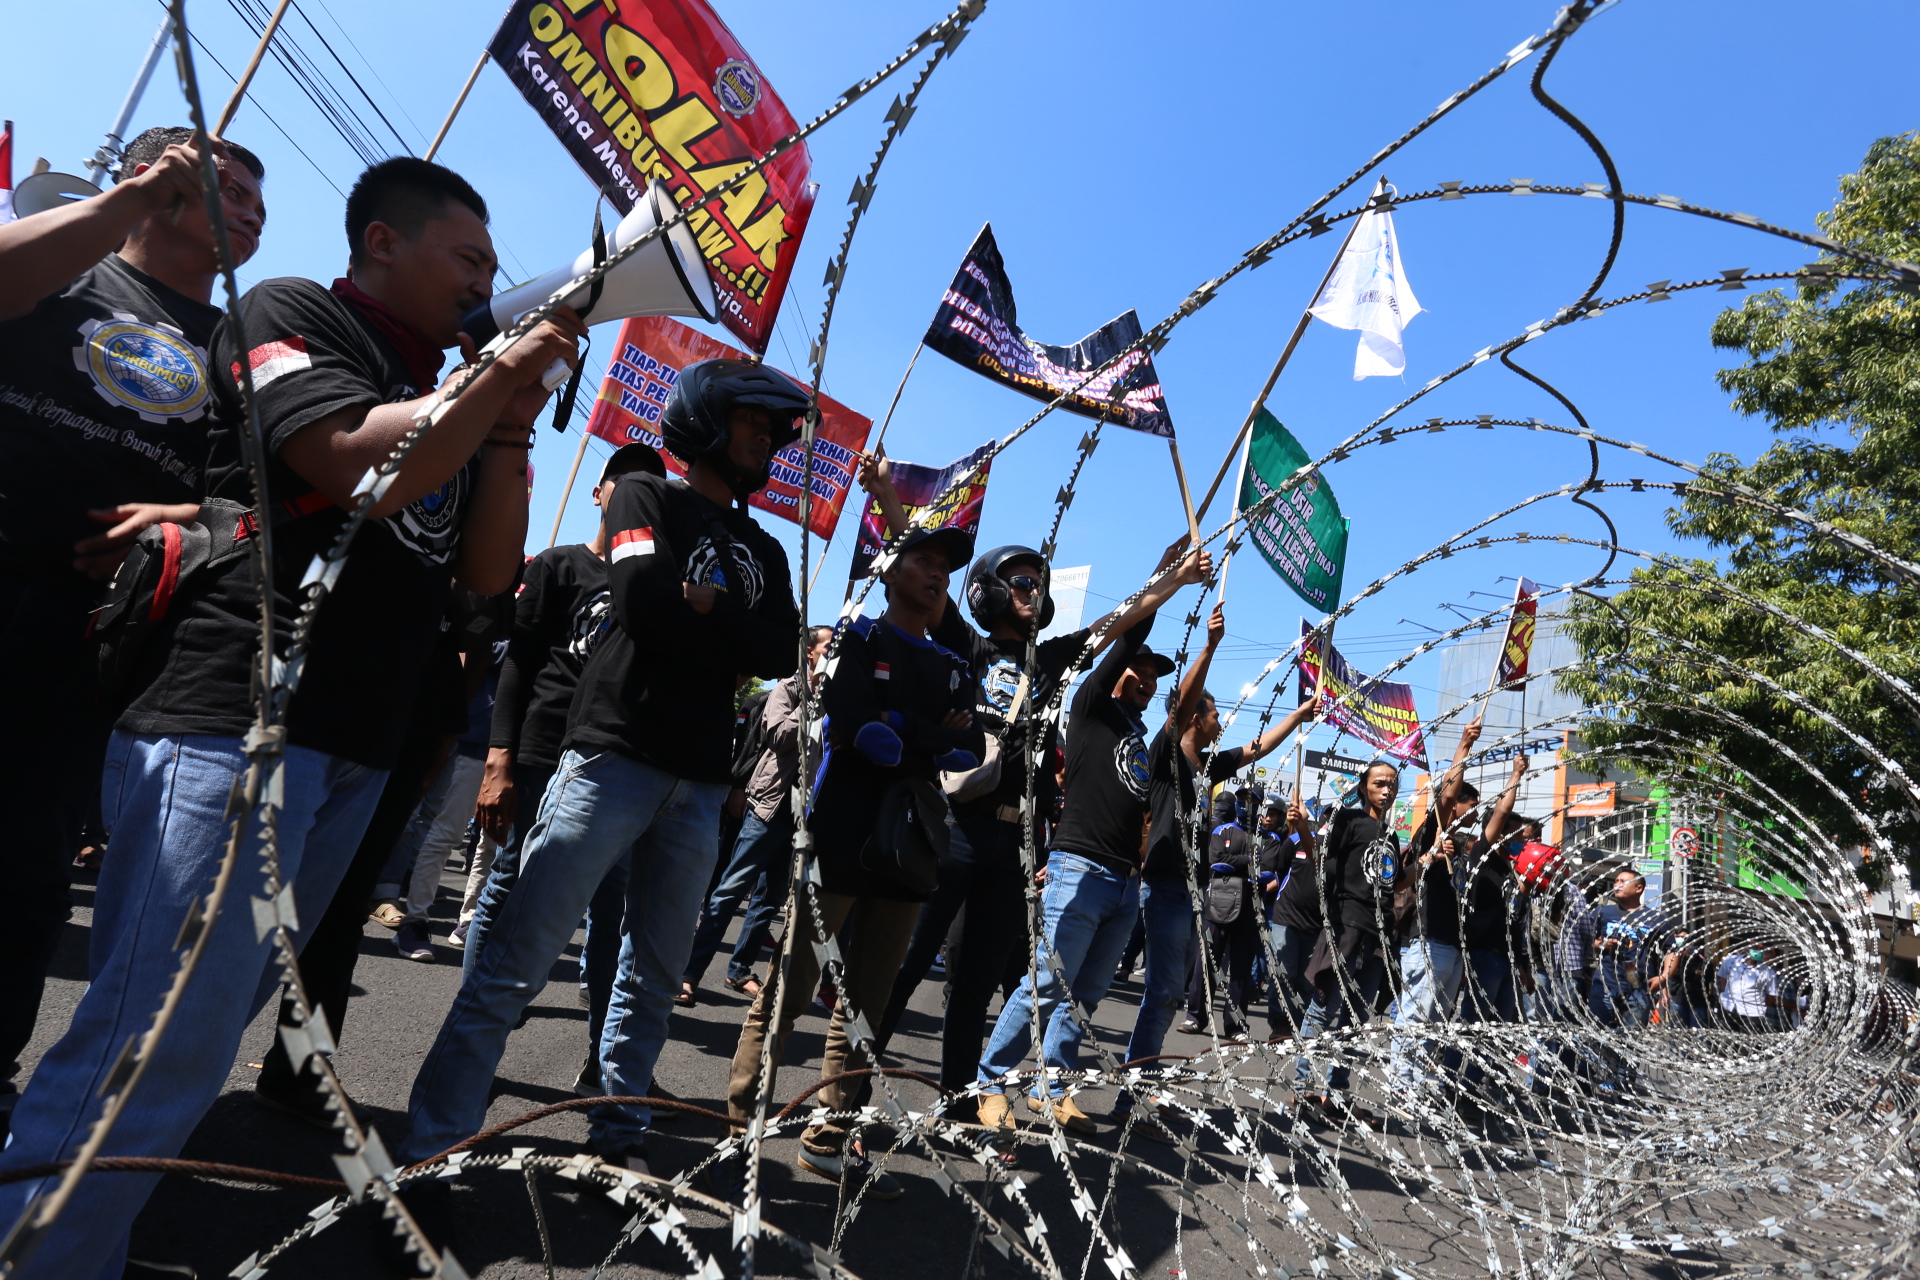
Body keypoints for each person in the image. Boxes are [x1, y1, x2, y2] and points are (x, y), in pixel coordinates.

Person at [0, 155, 577, 1280]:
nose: (486, 283)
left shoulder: (446, 386)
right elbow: (356, 466)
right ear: (381, 245)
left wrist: (508, 424)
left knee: (193, 1041)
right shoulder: (292, 312)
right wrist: (495, 369)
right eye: (469, 259)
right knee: (148, 1040)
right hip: (239, 716)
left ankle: (75, 1244)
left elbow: (489, 573)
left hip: (348, 742)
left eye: (494, 271)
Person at [402, 357, 802, 1188]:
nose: (767, 441)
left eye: (773, 431)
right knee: (516, 958)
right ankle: (432, 1146)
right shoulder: (641, 496)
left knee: (651, 978)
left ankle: (619, 1131)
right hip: (610, 760)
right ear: (703, 422)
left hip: (697, 788)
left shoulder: (765, 544)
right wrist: (722, 627)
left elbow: (780, 647)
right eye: (752, 424)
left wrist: (710, 608)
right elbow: (644, 604)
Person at [0, 128, 265, 1141]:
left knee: (24, 877)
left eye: (253, 197)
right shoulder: (66, 265)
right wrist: (129, 201)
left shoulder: (242, 349)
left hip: (87, 636)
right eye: (222, 186)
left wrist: (183, 524)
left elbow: (260, 509)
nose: (244, 207)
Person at [857, 451, 1199, 1104]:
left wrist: (1173, 579)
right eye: (1019, 582)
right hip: (954, 829)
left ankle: (958, 1102)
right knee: (903, 964)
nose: (1033, 593)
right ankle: (848, 1092)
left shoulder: (1053, 661)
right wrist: (883, 495)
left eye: (1038, 585)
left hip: (1015, 846)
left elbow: (1118, 622)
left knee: (976, 979)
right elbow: (917, 576)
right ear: (989, 592)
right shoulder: (968, 641)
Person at [721, 524, 983, 1197]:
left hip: (909, 846)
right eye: (923, 561)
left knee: (866, 1002)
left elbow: (969, 749)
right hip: (840, 833)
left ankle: (830, 1135)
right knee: (793, 983)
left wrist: (903, 729)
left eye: (944, 568)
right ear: (891, 571)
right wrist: (918, 733)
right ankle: (741, 1121)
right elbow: (860, 729)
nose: (936, 575)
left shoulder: (954, 664)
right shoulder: (857, 637)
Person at [971, 593, 1181, 1138]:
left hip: (1123, 880)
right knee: (1045, 985)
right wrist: (1168, 584)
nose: (1147, 681)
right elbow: (1123, 640)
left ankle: (1052, 1088)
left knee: (1085, 994)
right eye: (1139, 671)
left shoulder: (1137, 734)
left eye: (1155, 677)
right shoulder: (1090, 706)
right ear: (1117, 674)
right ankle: (990, 1083)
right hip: (1078, 867)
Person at [1117, 603, 1316, 1129]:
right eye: (1213, 714)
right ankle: (1132, 1091)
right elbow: (1180, 703)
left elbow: (1256, 748)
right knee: (1161, 991)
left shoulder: (1210, 766)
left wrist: (1296, 717)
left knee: (1164, 992)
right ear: (1193, 719)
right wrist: (1210, 646)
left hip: (1188, 890)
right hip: (1161, 883)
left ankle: (1135, 1090)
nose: (1219, 721)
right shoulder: (1166, 755)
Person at [682, 625, 833, 1002]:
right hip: (770, 806)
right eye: (831, 646)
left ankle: (738, 970)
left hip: (803, 817)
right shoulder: (789, 689)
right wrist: (815, 703)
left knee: (769, 899)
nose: (837, 653)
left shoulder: (840, 697)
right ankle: (688, 972)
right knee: (729, 891)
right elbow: (779, 735)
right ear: (810, 653)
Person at [1293, 758, 1403, 1124]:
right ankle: (1302, 1087)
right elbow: (1321, 861)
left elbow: (1393, 882)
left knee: (1356, 1019)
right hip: (1347, 926)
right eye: (1379, 784)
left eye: (1391, 784)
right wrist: (1304, 830)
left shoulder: (1390, 836)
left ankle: (1336, 1096)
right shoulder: (1349, 820)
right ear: (1364, 788)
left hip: (1378, 932)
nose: (1386, 790)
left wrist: (1427, 861)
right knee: (1325, 1005)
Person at [1384, 722, 1489, 1093]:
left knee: (1436, 1019)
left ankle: (1418, 1079)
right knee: (1416, 1016)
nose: (1474, 813)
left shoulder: (1460, 848)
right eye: (1470, 805)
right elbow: (1444, 798)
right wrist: (1463, 746)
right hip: (1427, 941)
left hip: (1451, 945)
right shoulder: (1435, 832)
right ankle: (1400, 1081)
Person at [1261, 791, 1321, 1035]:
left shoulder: (1339, 850)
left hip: (1316, 926)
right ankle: (1279, 1025)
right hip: (1287, 919)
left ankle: (1298, 1028)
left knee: (1306, 982)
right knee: (1284, 975)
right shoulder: (1294, 841)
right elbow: (1280, 869)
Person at [1716, 947, 1780, 1033]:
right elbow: (1723, 978)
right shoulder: (1731, 961)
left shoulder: (1767, 971)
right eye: (1756, 947)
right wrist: (1728, 994)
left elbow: (1771, 996)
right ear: (1747, 948)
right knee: (1725, 1040)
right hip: (1728, 1007)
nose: (1759, 951)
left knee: (1747, 1043)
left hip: (1752, 1013)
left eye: (1762, 949)